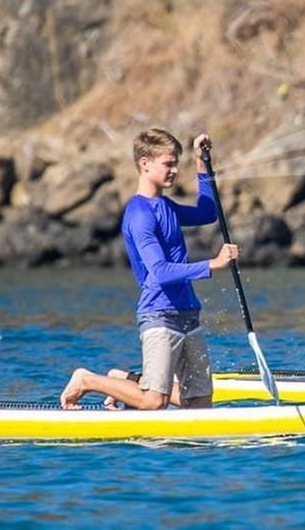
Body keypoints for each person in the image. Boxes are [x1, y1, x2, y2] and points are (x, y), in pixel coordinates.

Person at [60, 129, 238, 410]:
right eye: (168, 164)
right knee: (155, 402)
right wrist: (212, 265)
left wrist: (201, 163)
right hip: (159, 315)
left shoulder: (165, 205)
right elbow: (160, 272)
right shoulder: (139, 214)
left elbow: (208, 213)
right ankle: (87, 380)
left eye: (176, 163)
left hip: (189, 313)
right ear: (145, 163)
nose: (175, 170)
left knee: (200, 405)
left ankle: (127, 381)